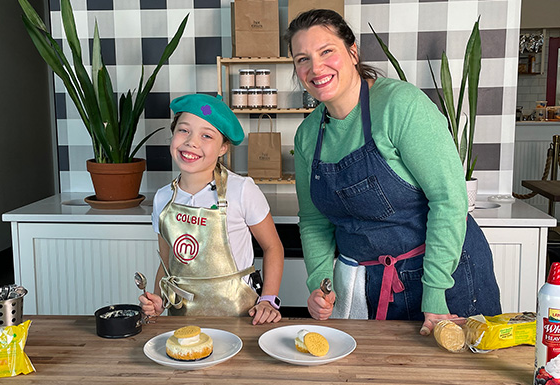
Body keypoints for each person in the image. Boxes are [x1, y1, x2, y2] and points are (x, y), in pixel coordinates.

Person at [285, 9, 501, 334]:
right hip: (371, 284)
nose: (315, 68)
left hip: (446, 275)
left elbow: (448, 198)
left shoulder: (400, 106)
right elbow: (315, 221)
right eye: (303, 59)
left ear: (352, 52)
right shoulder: (307, 135)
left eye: (326, 51)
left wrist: (436, 291)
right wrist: (321, 282)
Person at [138, 94, 284, 325]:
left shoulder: (242, 190)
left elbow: (273, 246)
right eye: (184, 130)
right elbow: (167, 264)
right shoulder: (163, 198)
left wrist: (268, 299)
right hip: (182, 321)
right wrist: (159, 301)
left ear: (223, 148)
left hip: (241, 318)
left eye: (206, 135)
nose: (191, 142)